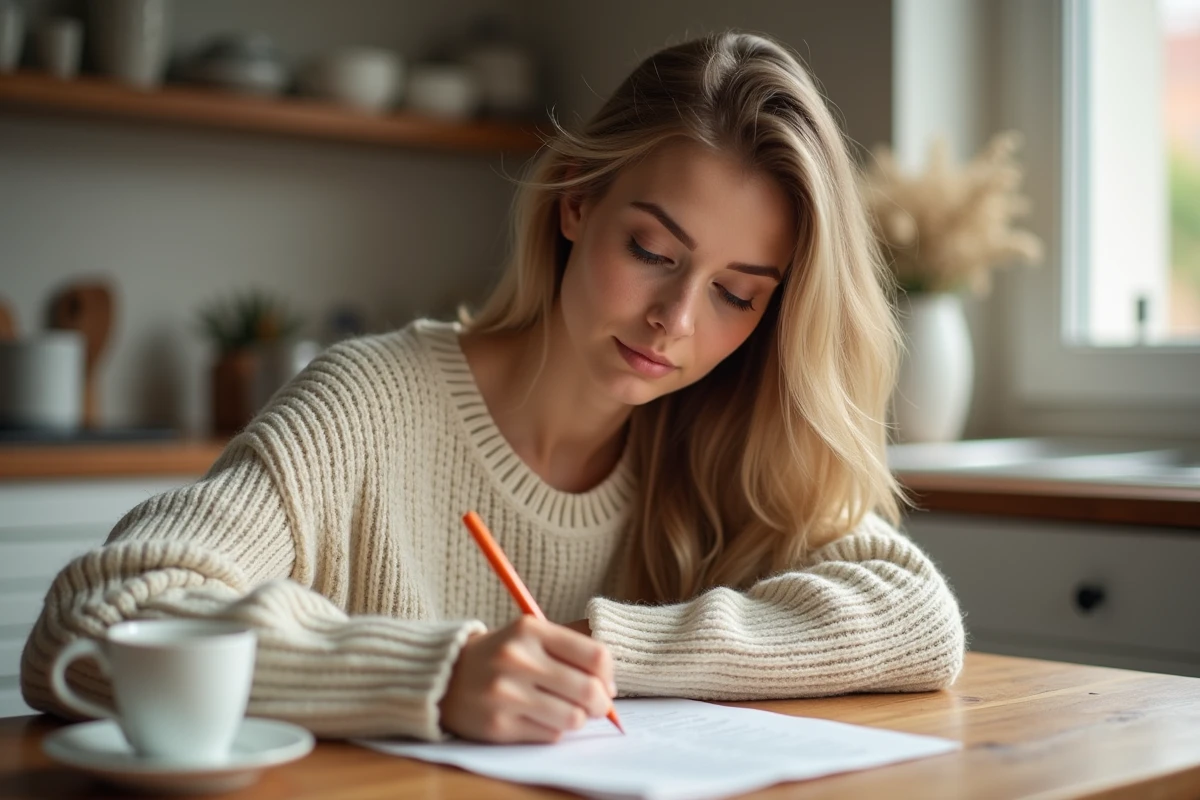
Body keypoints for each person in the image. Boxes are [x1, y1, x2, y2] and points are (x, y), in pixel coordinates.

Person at [21, 30, 964, 744]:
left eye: (736, 293)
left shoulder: (729, 441)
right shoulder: (368, 403)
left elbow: (916, 618)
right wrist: (437, 676)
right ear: (576, 202)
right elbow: (99, 618)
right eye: (651, 251)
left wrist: (604, 650)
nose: (675, 320)